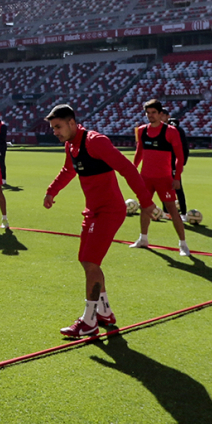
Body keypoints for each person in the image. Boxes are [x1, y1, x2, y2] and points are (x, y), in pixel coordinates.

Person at [42, 105, 153, 339]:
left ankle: (88, 321)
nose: (55, 132)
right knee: (87, 262)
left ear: (72, 122)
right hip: (92, 211)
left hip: (109, 211)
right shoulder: (70, 145)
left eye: (58, 127)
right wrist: (52, 191)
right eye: (53, 128)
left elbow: (127, 168)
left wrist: (146, 201)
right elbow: (68, 170)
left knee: (90, 262)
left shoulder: (95, 141)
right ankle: (104, 313)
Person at [130, 100, 191, 256]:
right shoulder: (142, 130)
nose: (150, 116)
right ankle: (143, 238)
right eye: (148, 113)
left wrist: (176, 177)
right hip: (146, 178)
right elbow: (139, 153)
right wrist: (133, 169)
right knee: (144, 207)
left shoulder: (170, 131)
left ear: (160, 114)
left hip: (164, 178)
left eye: (153, 113)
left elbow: (179, 156)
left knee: (172, 210)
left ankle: (183, 244)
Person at [166, 115, 192, 220]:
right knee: (165, 187)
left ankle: (183, 212)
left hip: (173, 163)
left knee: (177, 187)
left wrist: (182, 163)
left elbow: (184, 148)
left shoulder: (175, 130)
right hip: (164, 164)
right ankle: (166, 212)